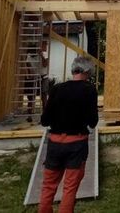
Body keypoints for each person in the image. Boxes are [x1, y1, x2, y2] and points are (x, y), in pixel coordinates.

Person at [39, 56, 99, 213]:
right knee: (70, 188)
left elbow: (45, 120)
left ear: (74, 69)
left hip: (55, 142)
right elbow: (93, 121)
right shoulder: (89, 90)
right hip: (76, 143)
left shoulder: (57, 89)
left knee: (48, 186)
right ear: (87, 71)